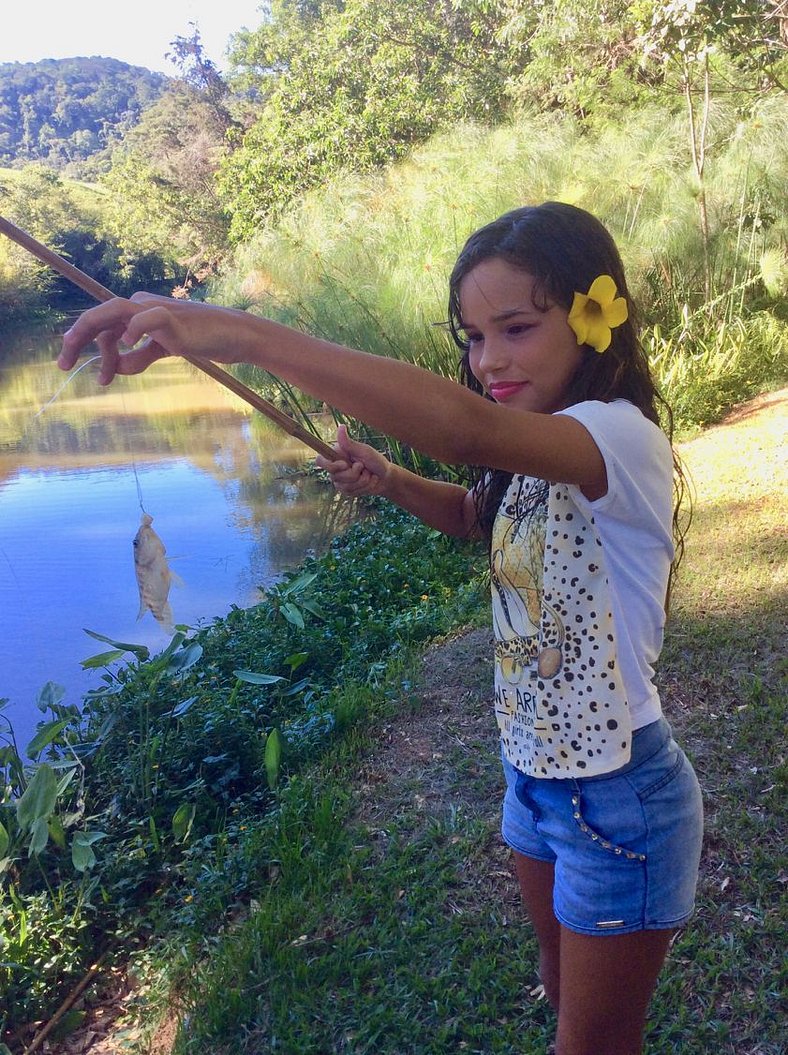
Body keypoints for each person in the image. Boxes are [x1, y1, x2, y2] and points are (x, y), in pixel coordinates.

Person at [59, 201, 704, 1055]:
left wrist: (243, 334)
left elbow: (466, 424)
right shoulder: (541, 450)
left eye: (515, 327)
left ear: (595, 318)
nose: (489, 360)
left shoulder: (614, 437)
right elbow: (480, 516)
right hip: (537, 782)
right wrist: (393, 478)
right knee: (558, 996)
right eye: (473, 337)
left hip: (619, 800)